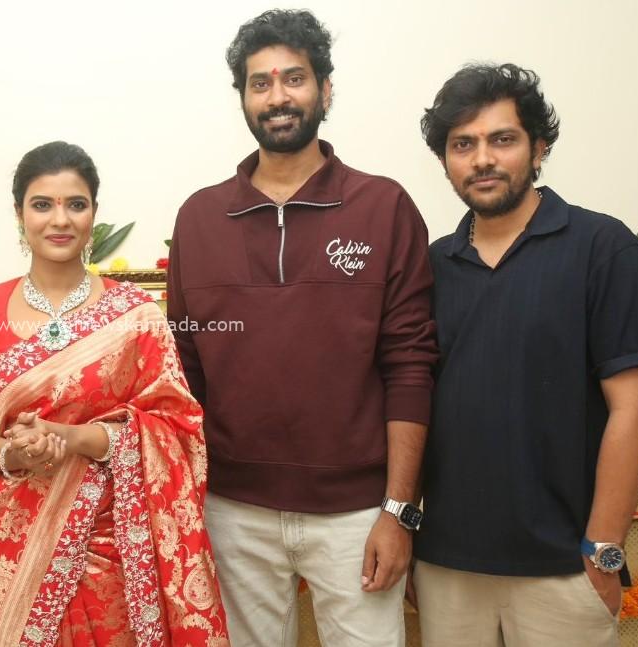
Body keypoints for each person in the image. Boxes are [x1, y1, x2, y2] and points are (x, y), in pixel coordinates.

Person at [166, 9, 437, 646]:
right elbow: (184, 372)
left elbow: (411, 366)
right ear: (242, 97)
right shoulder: (200, 219)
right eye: (260, 83)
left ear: (325, 89)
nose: (277, 96)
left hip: (358, 514)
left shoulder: (383, 207)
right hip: (233, 512)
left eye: (294, 78)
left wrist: (399, 509)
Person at [0, 141, 230, 646]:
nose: (60, 219)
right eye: (42, 204)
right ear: (19, 214)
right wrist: (15, 454)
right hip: (18, 542)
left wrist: (72, 438)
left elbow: (176, 427)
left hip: (121, 541)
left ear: (94, 212)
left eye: (76, 204)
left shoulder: (135, 314)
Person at [412, 62, 638, 646]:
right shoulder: (431, 266)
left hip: (566, 568)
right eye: (463, 144)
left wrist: (602, 550)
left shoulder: (602, 248)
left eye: (503, 139)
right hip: (447, 567)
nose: (482, 159)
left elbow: (637, 408)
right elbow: (410, 400)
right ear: (445, 160)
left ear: (539, 147)